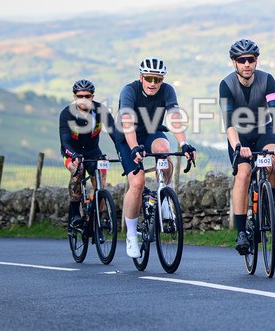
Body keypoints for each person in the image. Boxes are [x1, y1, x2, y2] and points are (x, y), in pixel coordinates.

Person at [115, 57, 196, 258]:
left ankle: (163, 196)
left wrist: (184, 143)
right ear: (141, 77)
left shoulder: (168, 91)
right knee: (138, 182)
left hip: (151, 132)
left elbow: (174, 118)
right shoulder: (129, 91)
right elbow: (127, 122)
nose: (153, 83)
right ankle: (132, 235)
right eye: (149, 78)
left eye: (157, 79)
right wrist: (134, 148)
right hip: (127, 137)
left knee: (164, 148)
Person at [219, 39, 275, 255]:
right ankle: (241, 232)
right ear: (234, 63)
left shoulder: (268, 80)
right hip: (239, 135)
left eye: (251, 59)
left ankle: (268, 206)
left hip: (263, 130)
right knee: (244, 172)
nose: (247, 64)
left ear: (256, 61)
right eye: (242, 60)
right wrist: (238, 146)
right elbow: (229, 123)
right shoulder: (226, 85)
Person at [58, 79, 116, 229]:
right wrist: (74, 156)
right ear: (74, 96)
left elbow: (115, 134)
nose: (83, 99)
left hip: (93, 151)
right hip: (72, 151)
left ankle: (97, 219)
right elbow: (65, 141)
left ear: (92, 96)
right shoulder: (67, 114)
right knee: (78, 170)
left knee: (101, 184)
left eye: (87, 96)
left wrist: (124, 152)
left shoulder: (100, 110)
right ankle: (74, 212)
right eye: (80, 96)